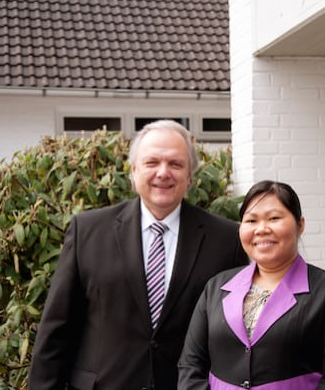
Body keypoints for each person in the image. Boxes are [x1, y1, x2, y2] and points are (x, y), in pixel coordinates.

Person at [28, 120, 248, 389]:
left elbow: (235, 334)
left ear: (190, 176)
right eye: (151, 162)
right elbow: (57, 328)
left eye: (175, 164)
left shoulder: (226, 240)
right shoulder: (88, 231)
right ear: (133, 171)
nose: (163, 173)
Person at [178, 180, 325, 389]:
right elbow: (190, 364)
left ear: (300, 225)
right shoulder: (216, 287)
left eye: (274, 218)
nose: (262, 229)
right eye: (251, 221)